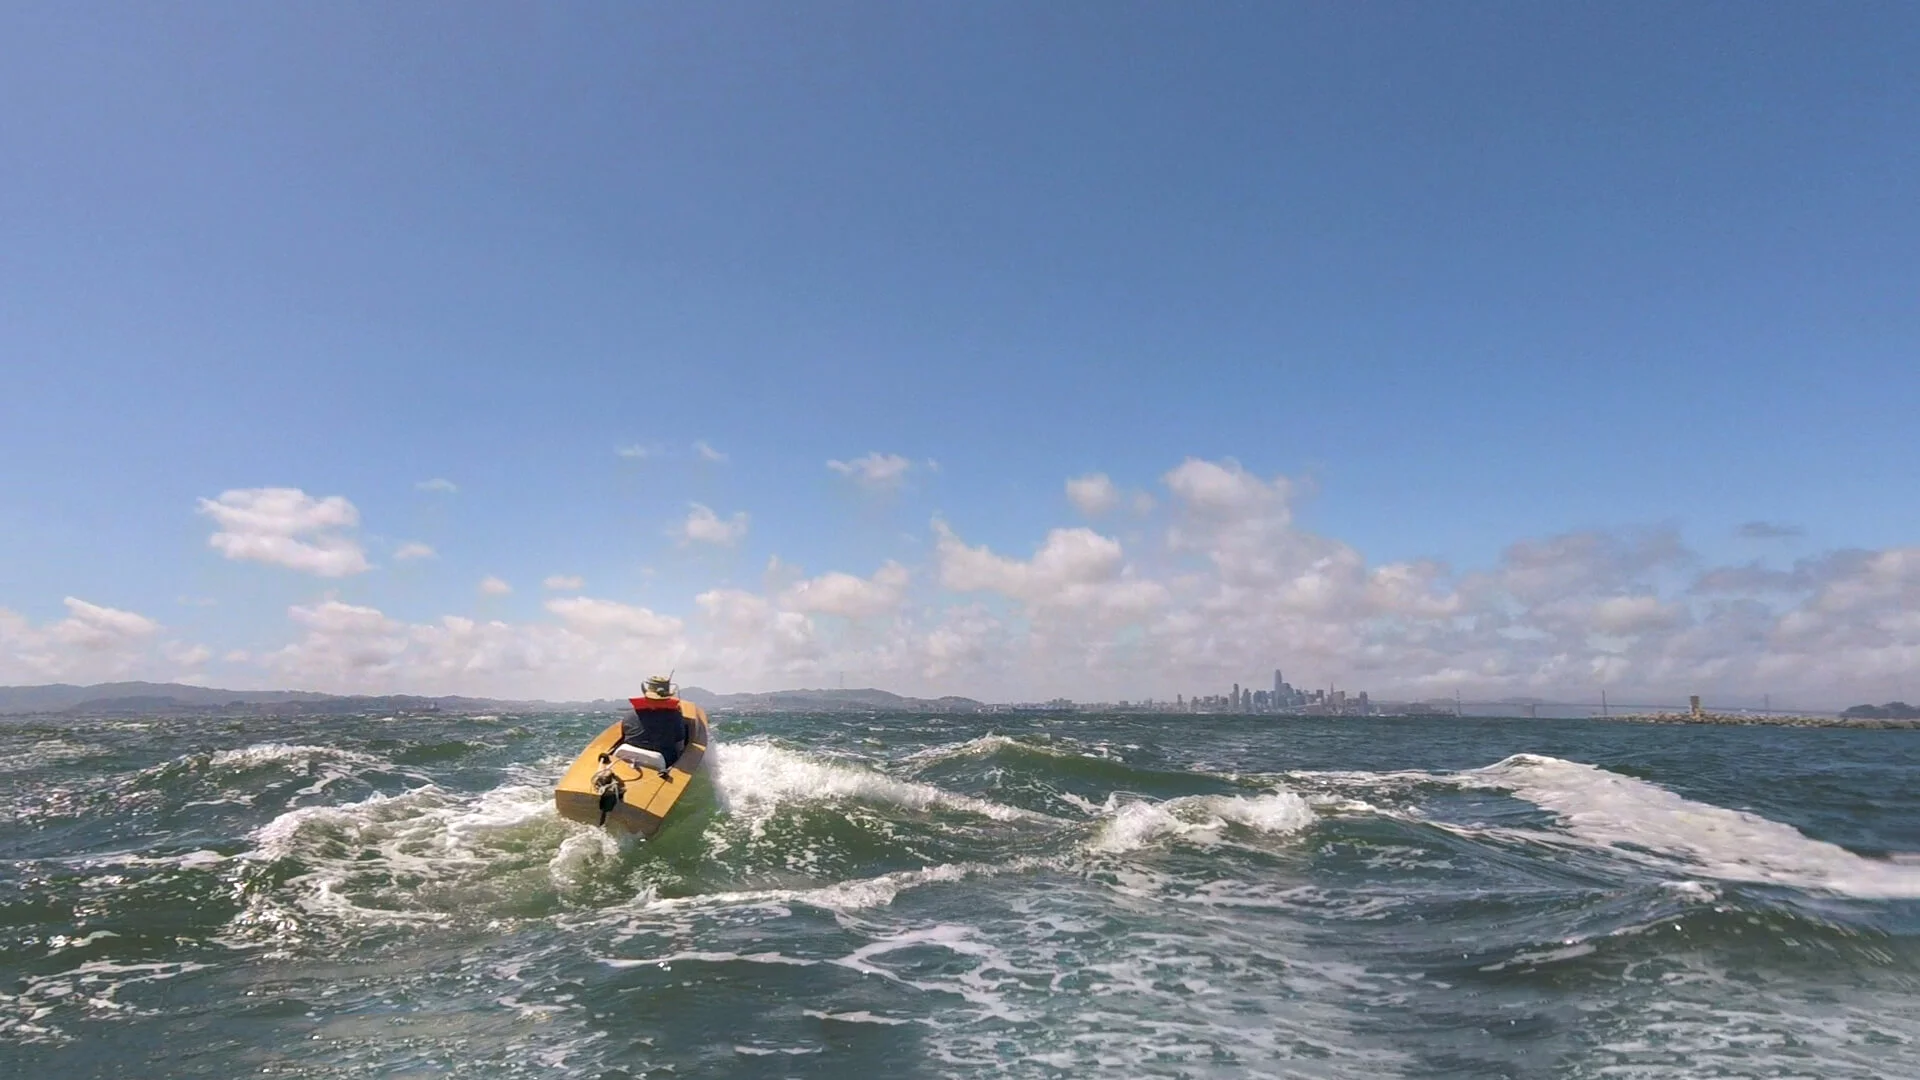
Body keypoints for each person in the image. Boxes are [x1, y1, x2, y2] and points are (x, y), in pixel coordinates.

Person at [619, 673, 688, 777]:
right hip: (660, 762)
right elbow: (680, 745)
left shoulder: (630, 714)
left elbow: (624, 735)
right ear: (667, 697)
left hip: (626, 757)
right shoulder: (675, 717)